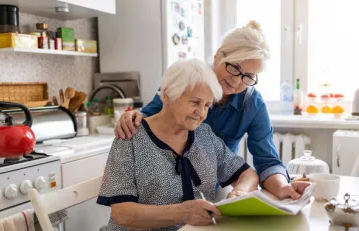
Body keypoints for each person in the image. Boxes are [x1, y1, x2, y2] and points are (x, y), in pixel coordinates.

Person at [114, 20, 310, 200]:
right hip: (161, 193)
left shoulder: (252, 104)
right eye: (234, 67)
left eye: (248, 76)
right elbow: (149, 118)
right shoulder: (187, 81)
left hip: (208, 193)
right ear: (218, 56)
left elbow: (267, 162)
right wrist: (132, 116)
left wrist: (284, 188)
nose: (237, 80)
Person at [97, 59, 259, 230]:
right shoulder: (130, 136)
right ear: (167, 94)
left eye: (207, 105)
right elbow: (121, 214)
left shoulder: (205, 135)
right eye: (195, 102)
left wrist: (240, 192)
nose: (201, 113)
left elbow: (248, 175)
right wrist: (183, 213)